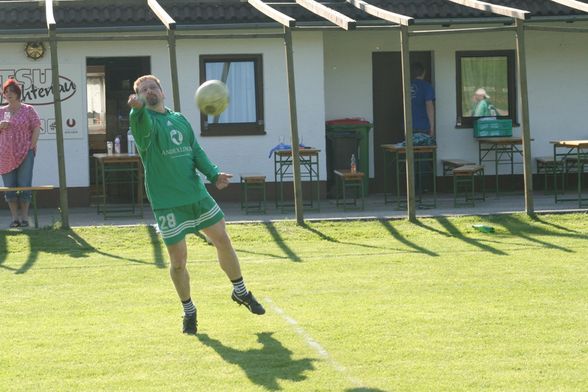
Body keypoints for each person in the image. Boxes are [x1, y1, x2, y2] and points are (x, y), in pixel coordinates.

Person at [127, 75, 265, 335]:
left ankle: (241, 292)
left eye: (152, 87)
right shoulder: (141, 120)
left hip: (196, 195)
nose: (149, 91)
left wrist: (214, 175)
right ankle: (189, 311)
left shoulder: (179, 119)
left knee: (222, 238)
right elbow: (143, 127)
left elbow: (195, 151)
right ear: (140, 97)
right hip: (167, 203)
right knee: (178, 262)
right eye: (143, 90)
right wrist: (137, 110)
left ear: (162, 91)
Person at [0, 78, 41, 228]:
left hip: (25, 152)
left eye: (11, 91)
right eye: (6, 92)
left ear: (18, 93)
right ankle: (14, 219)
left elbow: (37, 126)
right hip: (5, 154)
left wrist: (32, 145)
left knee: (24, 185)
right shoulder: (1, 111)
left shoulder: (28, 109)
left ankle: (24, 217)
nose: (8, 94)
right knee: (10, 187)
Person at [410, 62, 435, 139]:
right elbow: (429, 106)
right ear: (423, 73)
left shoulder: (406, 86)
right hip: (423, 126)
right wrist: (432, 127)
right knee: (423, 149)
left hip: (408, 125)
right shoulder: (427, 86)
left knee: (409, 150)